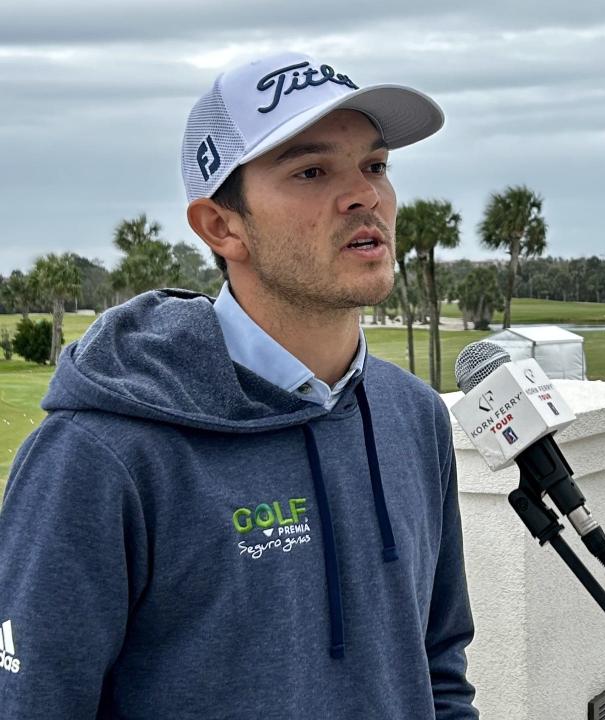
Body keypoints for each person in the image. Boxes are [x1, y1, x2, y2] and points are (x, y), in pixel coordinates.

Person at [0, 52, 478, 719]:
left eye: (374, 166)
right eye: (312, 171)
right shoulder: (101, 452)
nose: (365, 196)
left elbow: (437, 668)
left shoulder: (415, 417)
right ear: (221, 227)